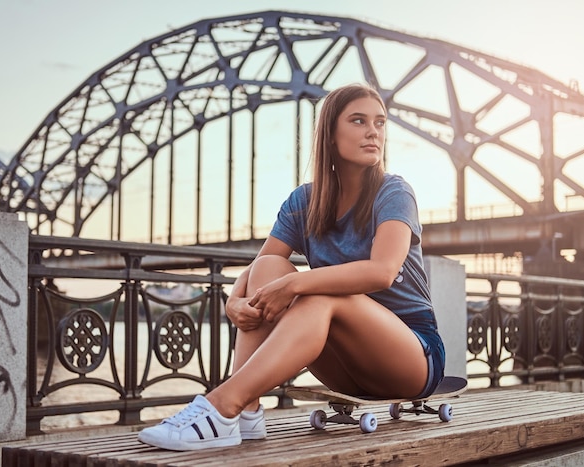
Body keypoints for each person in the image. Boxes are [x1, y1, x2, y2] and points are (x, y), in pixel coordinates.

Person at [138, 83, 445, 451]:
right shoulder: (304, 201)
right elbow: (258, 268)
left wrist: (297, 286)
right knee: (271, 267)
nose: (373, 132)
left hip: (412, 357)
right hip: (346, 369)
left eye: (379, 123)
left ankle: (222, 405)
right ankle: (247, 412)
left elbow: (381, 271)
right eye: (359, 121)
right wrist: (233, 300)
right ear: (330, 134)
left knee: (318, 296)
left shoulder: (393, 191)